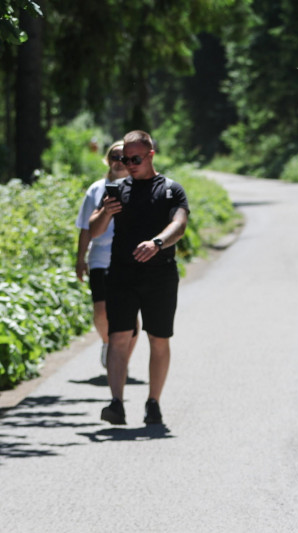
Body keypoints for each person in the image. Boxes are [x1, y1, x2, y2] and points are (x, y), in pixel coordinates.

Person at [89, 130, 189, 426]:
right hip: (121, 274)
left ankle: (153, 402)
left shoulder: (171, 189)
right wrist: (105, 213)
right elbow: (94, 230)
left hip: (160, 275)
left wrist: (157, 242)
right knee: (118, 337)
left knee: (158, 338)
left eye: (134, 158)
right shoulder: (117, 189)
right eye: (123, 158)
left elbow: (179, 224)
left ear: (150, 155)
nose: (128, 163)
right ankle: (116, 403)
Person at [74, 141, 136, 367]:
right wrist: (80, 259)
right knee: (101, 311)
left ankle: (120, 364)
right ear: (108, 161)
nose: (119, 162)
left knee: (130, 316)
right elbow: (84, 227)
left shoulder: (138, 187)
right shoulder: (96, 190)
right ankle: (108, 343)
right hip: (100, 257)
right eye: (115, 157)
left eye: (124, 158)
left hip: (130, 259)